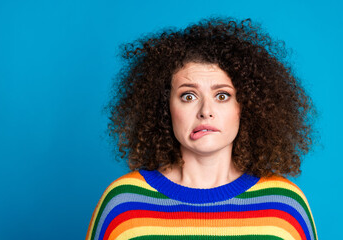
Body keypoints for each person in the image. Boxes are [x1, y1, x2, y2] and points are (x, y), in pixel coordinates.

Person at [86, 17, 317, 240]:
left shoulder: (285, 206)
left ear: (245, 107)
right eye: (188, 96)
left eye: (222, 95)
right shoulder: (123, 204)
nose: (206, 110)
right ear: (165, 108)